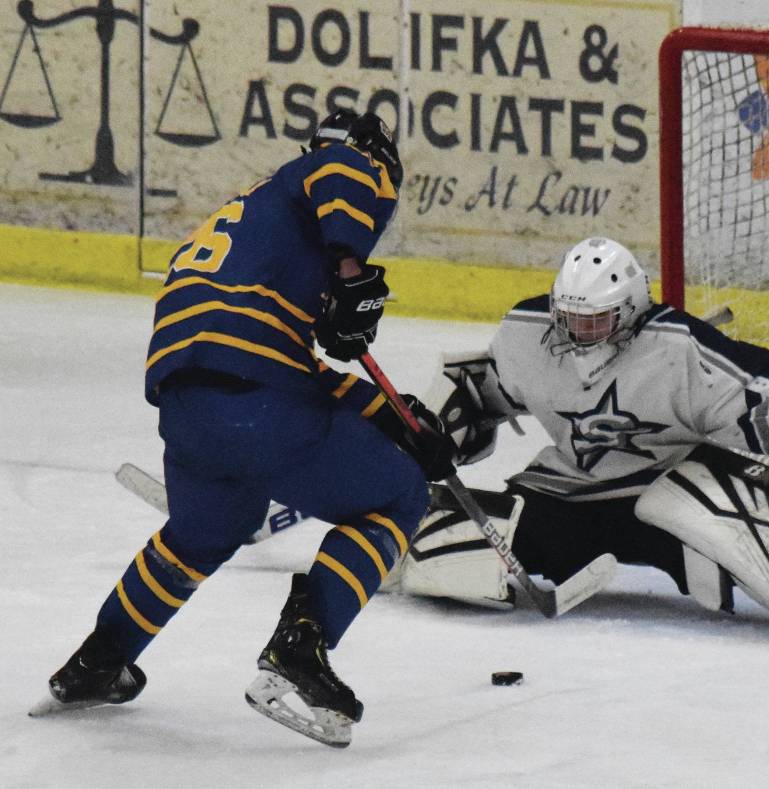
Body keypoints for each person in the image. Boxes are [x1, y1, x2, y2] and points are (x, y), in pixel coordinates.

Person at [31, 110, 456, 748]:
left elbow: (292, 364)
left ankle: (98, 661)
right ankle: (300, 647)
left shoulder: (253, 224)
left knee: (205, 532)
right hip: (255, 399)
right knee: (397, 495)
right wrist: (352, 274)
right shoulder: (335, 170)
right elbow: (341, 165)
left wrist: (394, 413)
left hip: (190, 406)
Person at [390, 237, 769, 640]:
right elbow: (481, 387)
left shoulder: (678, 349)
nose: (578, 335)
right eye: (571, 320)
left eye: (596, 322)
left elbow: (762, 393)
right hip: (564, 494)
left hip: (669, 490)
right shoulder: (528, 334)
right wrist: (435, 431)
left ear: (631, 310)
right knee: (430, 541)